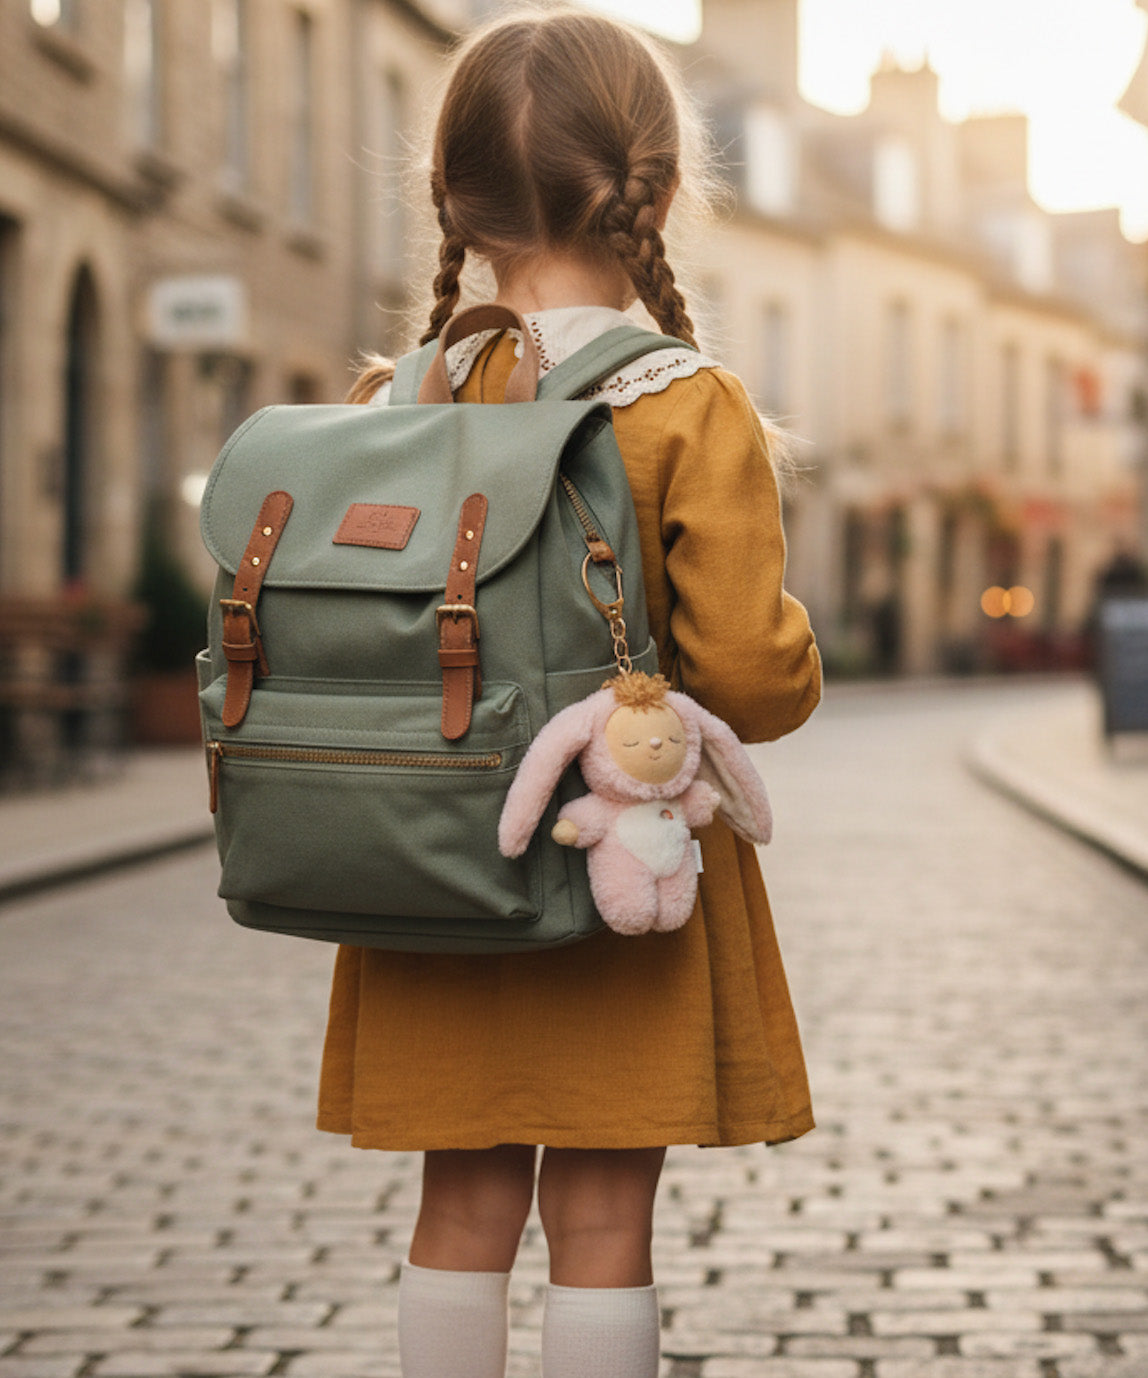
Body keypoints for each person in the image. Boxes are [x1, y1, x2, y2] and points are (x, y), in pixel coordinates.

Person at [318, 10, 822, 1377]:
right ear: (657, 187)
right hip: (623, 878)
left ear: (453, 197)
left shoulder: (390, 401)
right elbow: (751, 675)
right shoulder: (687, 402)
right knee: (602, 1214)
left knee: (459, 1204)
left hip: (427, 857)